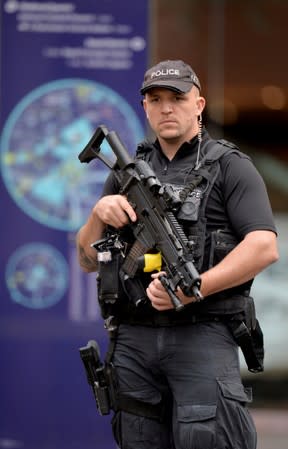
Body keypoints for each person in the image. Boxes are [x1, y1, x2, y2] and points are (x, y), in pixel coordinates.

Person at [76, 60, 279, 449]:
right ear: (146, 107)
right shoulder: (126, 173)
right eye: (156, 99)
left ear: (198, 105)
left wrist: (195, 287)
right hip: (133, 340)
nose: (167, 107)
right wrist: (97, 215)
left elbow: (264, 246)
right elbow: (87, 260)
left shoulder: (229, 166)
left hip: (200, 335)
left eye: (177, 98)